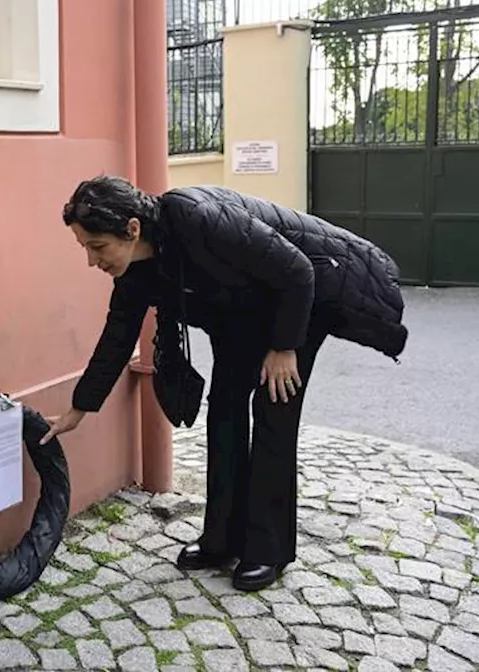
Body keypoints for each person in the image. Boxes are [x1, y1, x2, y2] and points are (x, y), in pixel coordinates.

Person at [43, 176, 407, 592]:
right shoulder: (136, 271)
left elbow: (296, 270)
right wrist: (79, 407)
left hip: (296, 301)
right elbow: (117, 336)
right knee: (225, 412)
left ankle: (268, 550)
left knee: (273, 413)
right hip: (239, 314)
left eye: (97, 247)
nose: (93, 261)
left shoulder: (197, 217)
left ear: (132, 229)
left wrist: (284, 347)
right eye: (85, 249)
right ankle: (221, 540)